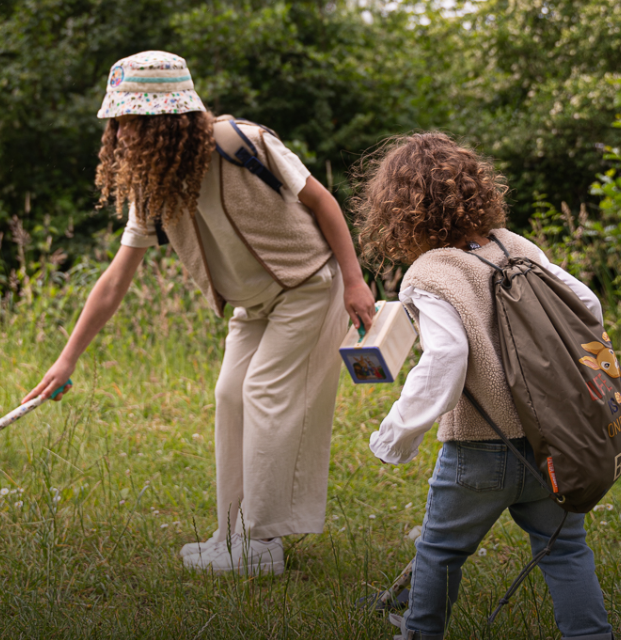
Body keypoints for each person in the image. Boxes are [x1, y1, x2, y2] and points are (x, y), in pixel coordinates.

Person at [22, 51, 377, 576]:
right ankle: (231, 535)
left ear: (167, 119)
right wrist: (67, 359)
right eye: (116, 122)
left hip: (307, 286)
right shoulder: (155, 182)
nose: (119, 135)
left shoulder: (242, 142)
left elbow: (323, 201)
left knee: (264, 394)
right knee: (230, 394)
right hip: (254, 305)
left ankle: (261, 545)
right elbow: (116, 278)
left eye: (129, 122)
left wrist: (353, 279)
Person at [352, 132, 621, 640]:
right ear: (477, 190)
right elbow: (588, 307)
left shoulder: (430, 273)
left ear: (399, 209)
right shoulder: (517, 247)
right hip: (549, 441)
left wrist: (397, 432)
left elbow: (448, 357)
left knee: (440, 548)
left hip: (479, 447)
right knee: (565, 549)